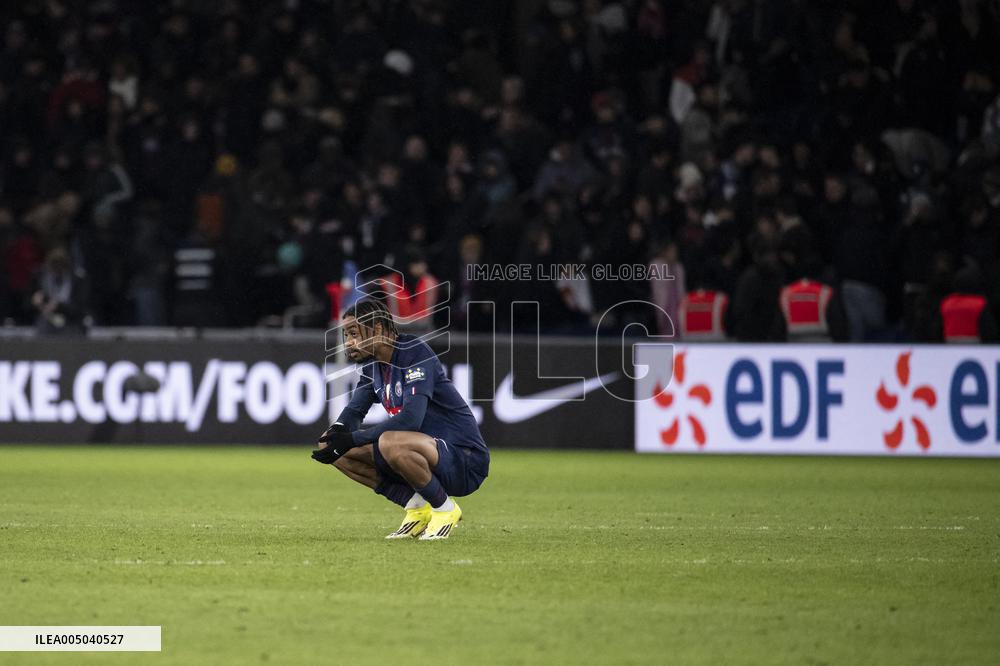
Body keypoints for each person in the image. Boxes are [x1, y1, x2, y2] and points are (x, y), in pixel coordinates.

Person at [311, 299, 489, 540]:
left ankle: (445, 509)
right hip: (424, 454)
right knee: (329, 443)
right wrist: (337, 435)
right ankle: (416, 507)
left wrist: (352, 438)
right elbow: (353, 413)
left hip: (464, 459)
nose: (348, 343)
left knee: (390, 441)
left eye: (353, 333)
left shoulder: (414, 354)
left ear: (378, 330)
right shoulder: (374, 367)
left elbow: (410, 421)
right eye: (345, 335)